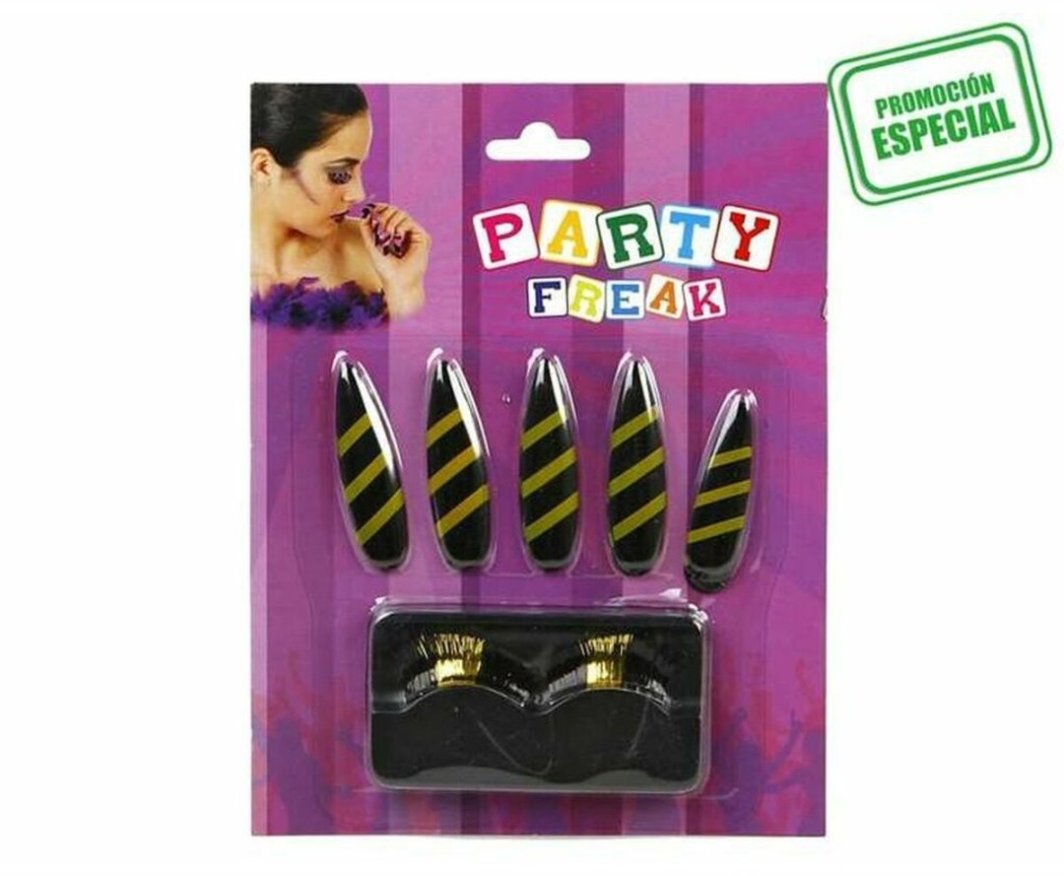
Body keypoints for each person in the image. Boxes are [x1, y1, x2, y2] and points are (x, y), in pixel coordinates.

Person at [251, 84, 430, 327]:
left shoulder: (376, 256)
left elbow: (414, 346)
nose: (358, 194)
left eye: (358, 169)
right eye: (338, 174)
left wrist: (405, 288)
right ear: (263, 167)